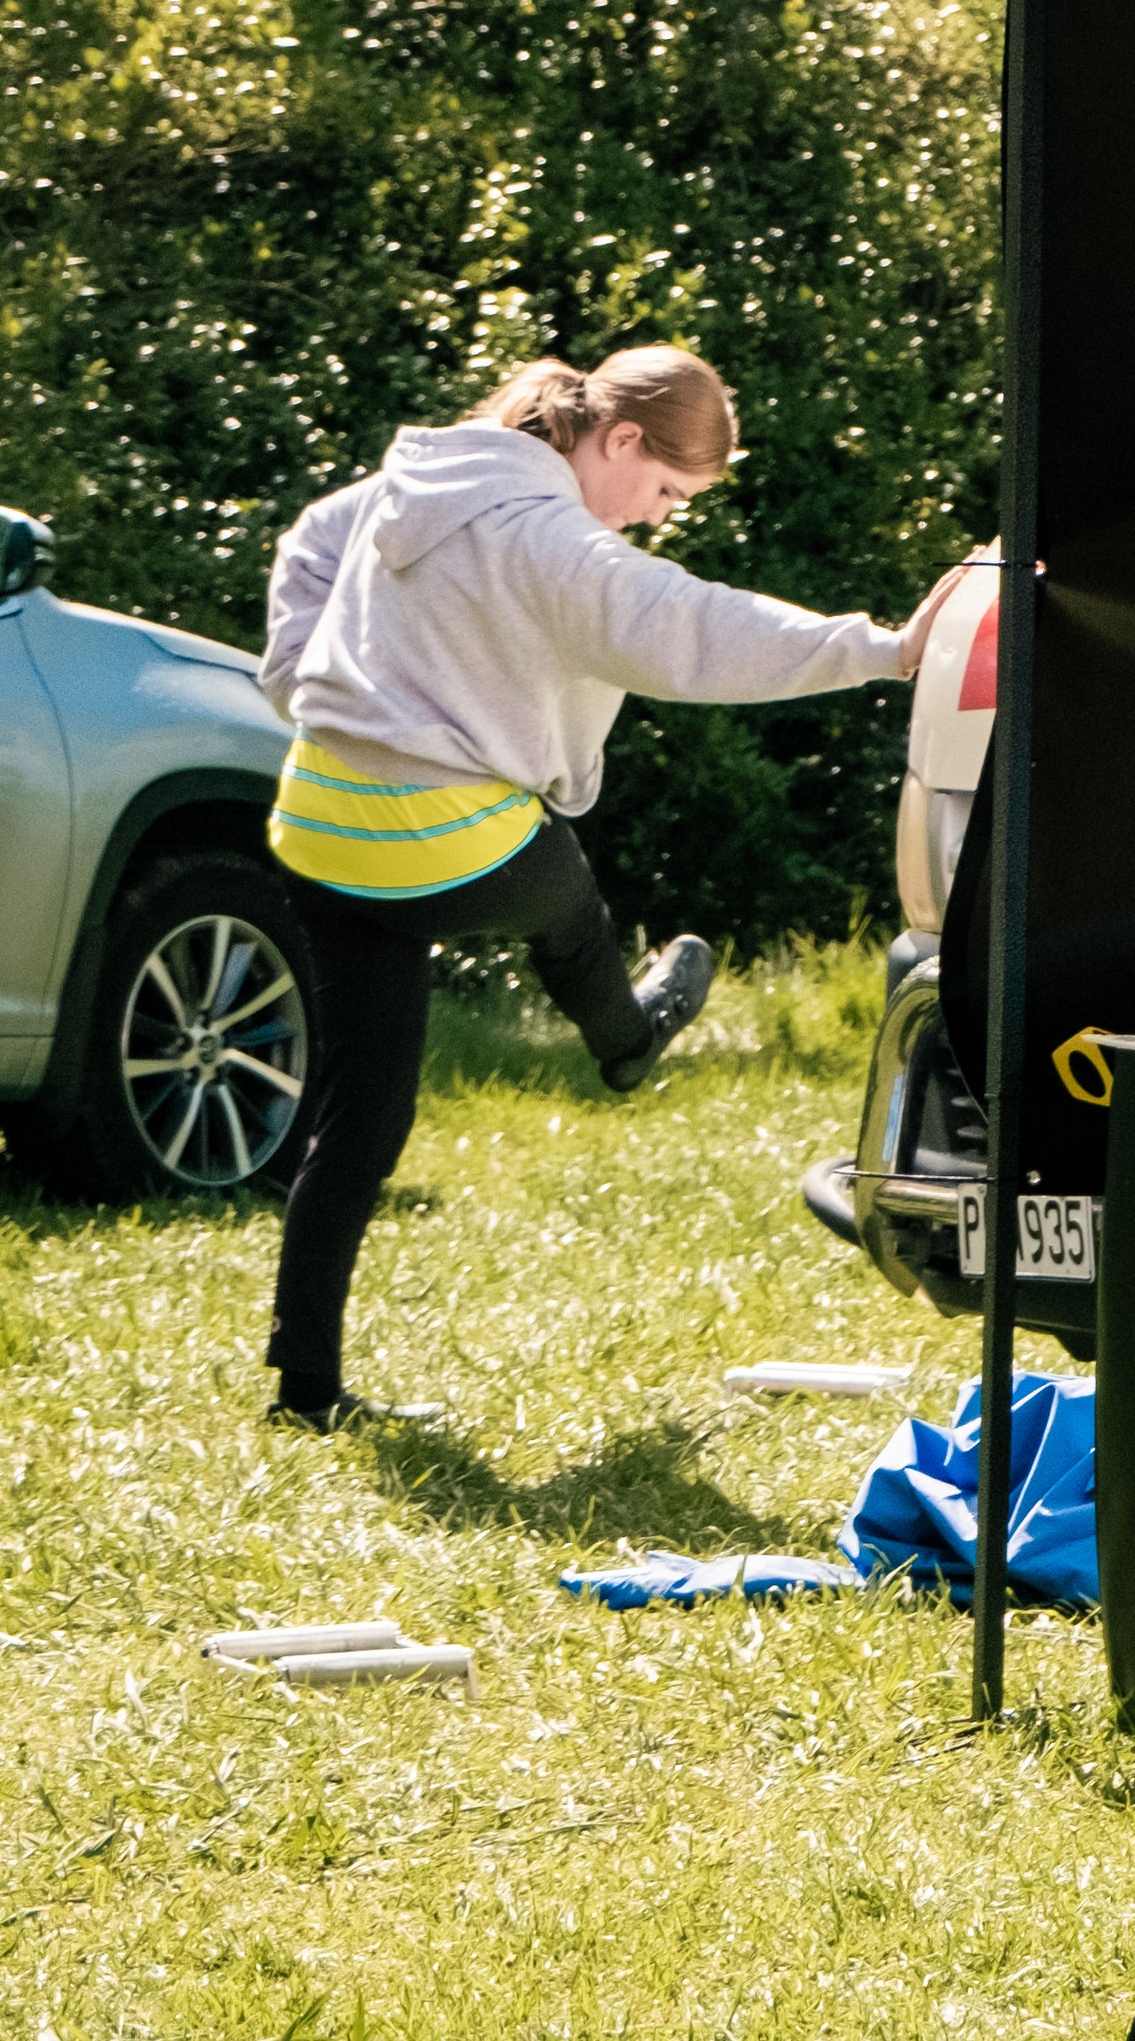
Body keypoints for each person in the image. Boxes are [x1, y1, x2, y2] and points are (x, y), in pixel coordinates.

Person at [254, 346, 935, 1428]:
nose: (659, 518)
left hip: (319, 824)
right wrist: (885, 651)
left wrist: (302, 674)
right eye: (664, 491)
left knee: (359, 1119)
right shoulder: (552, 539)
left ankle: (304, 1389)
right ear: (617, 439)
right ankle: (628, 1039)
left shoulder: (420, 479)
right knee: (565, 895)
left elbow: (310, 542)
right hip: (438, 836)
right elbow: (698, 628)